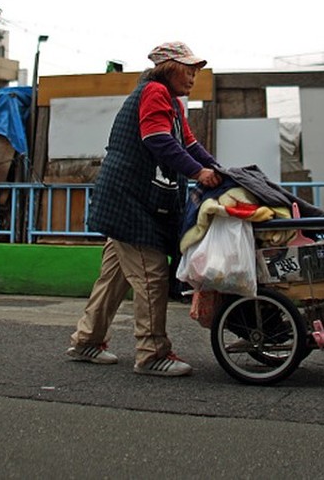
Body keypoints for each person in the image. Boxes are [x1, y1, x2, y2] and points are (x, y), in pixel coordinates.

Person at [66, 41, 222, 377]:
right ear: (168, 68)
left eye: (196, 70)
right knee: (152, 275)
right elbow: (157, 140)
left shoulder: (172, 102)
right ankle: (152, 353)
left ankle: (86, 341)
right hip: (129, 201)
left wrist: (218, 170)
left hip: (129, 199)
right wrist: (198, 172)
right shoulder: (154, 91)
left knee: (113, 278)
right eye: (188, 68)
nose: (194, 76)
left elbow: (190, 144)